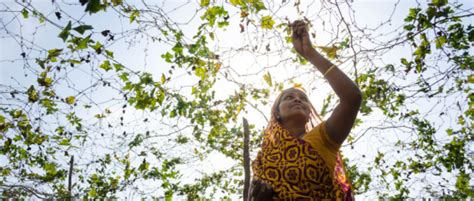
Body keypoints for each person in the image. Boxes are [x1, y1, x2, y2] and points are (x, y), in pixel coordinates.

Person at [248, 20, 362, 200]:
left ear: (310, 114)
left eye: (303, 99)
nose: (297, 99)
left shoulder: (324, 137)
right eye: (289, 97)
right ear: (277, 113)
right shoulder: (264, 158)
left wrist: (310, 53)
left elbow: (352, 98)